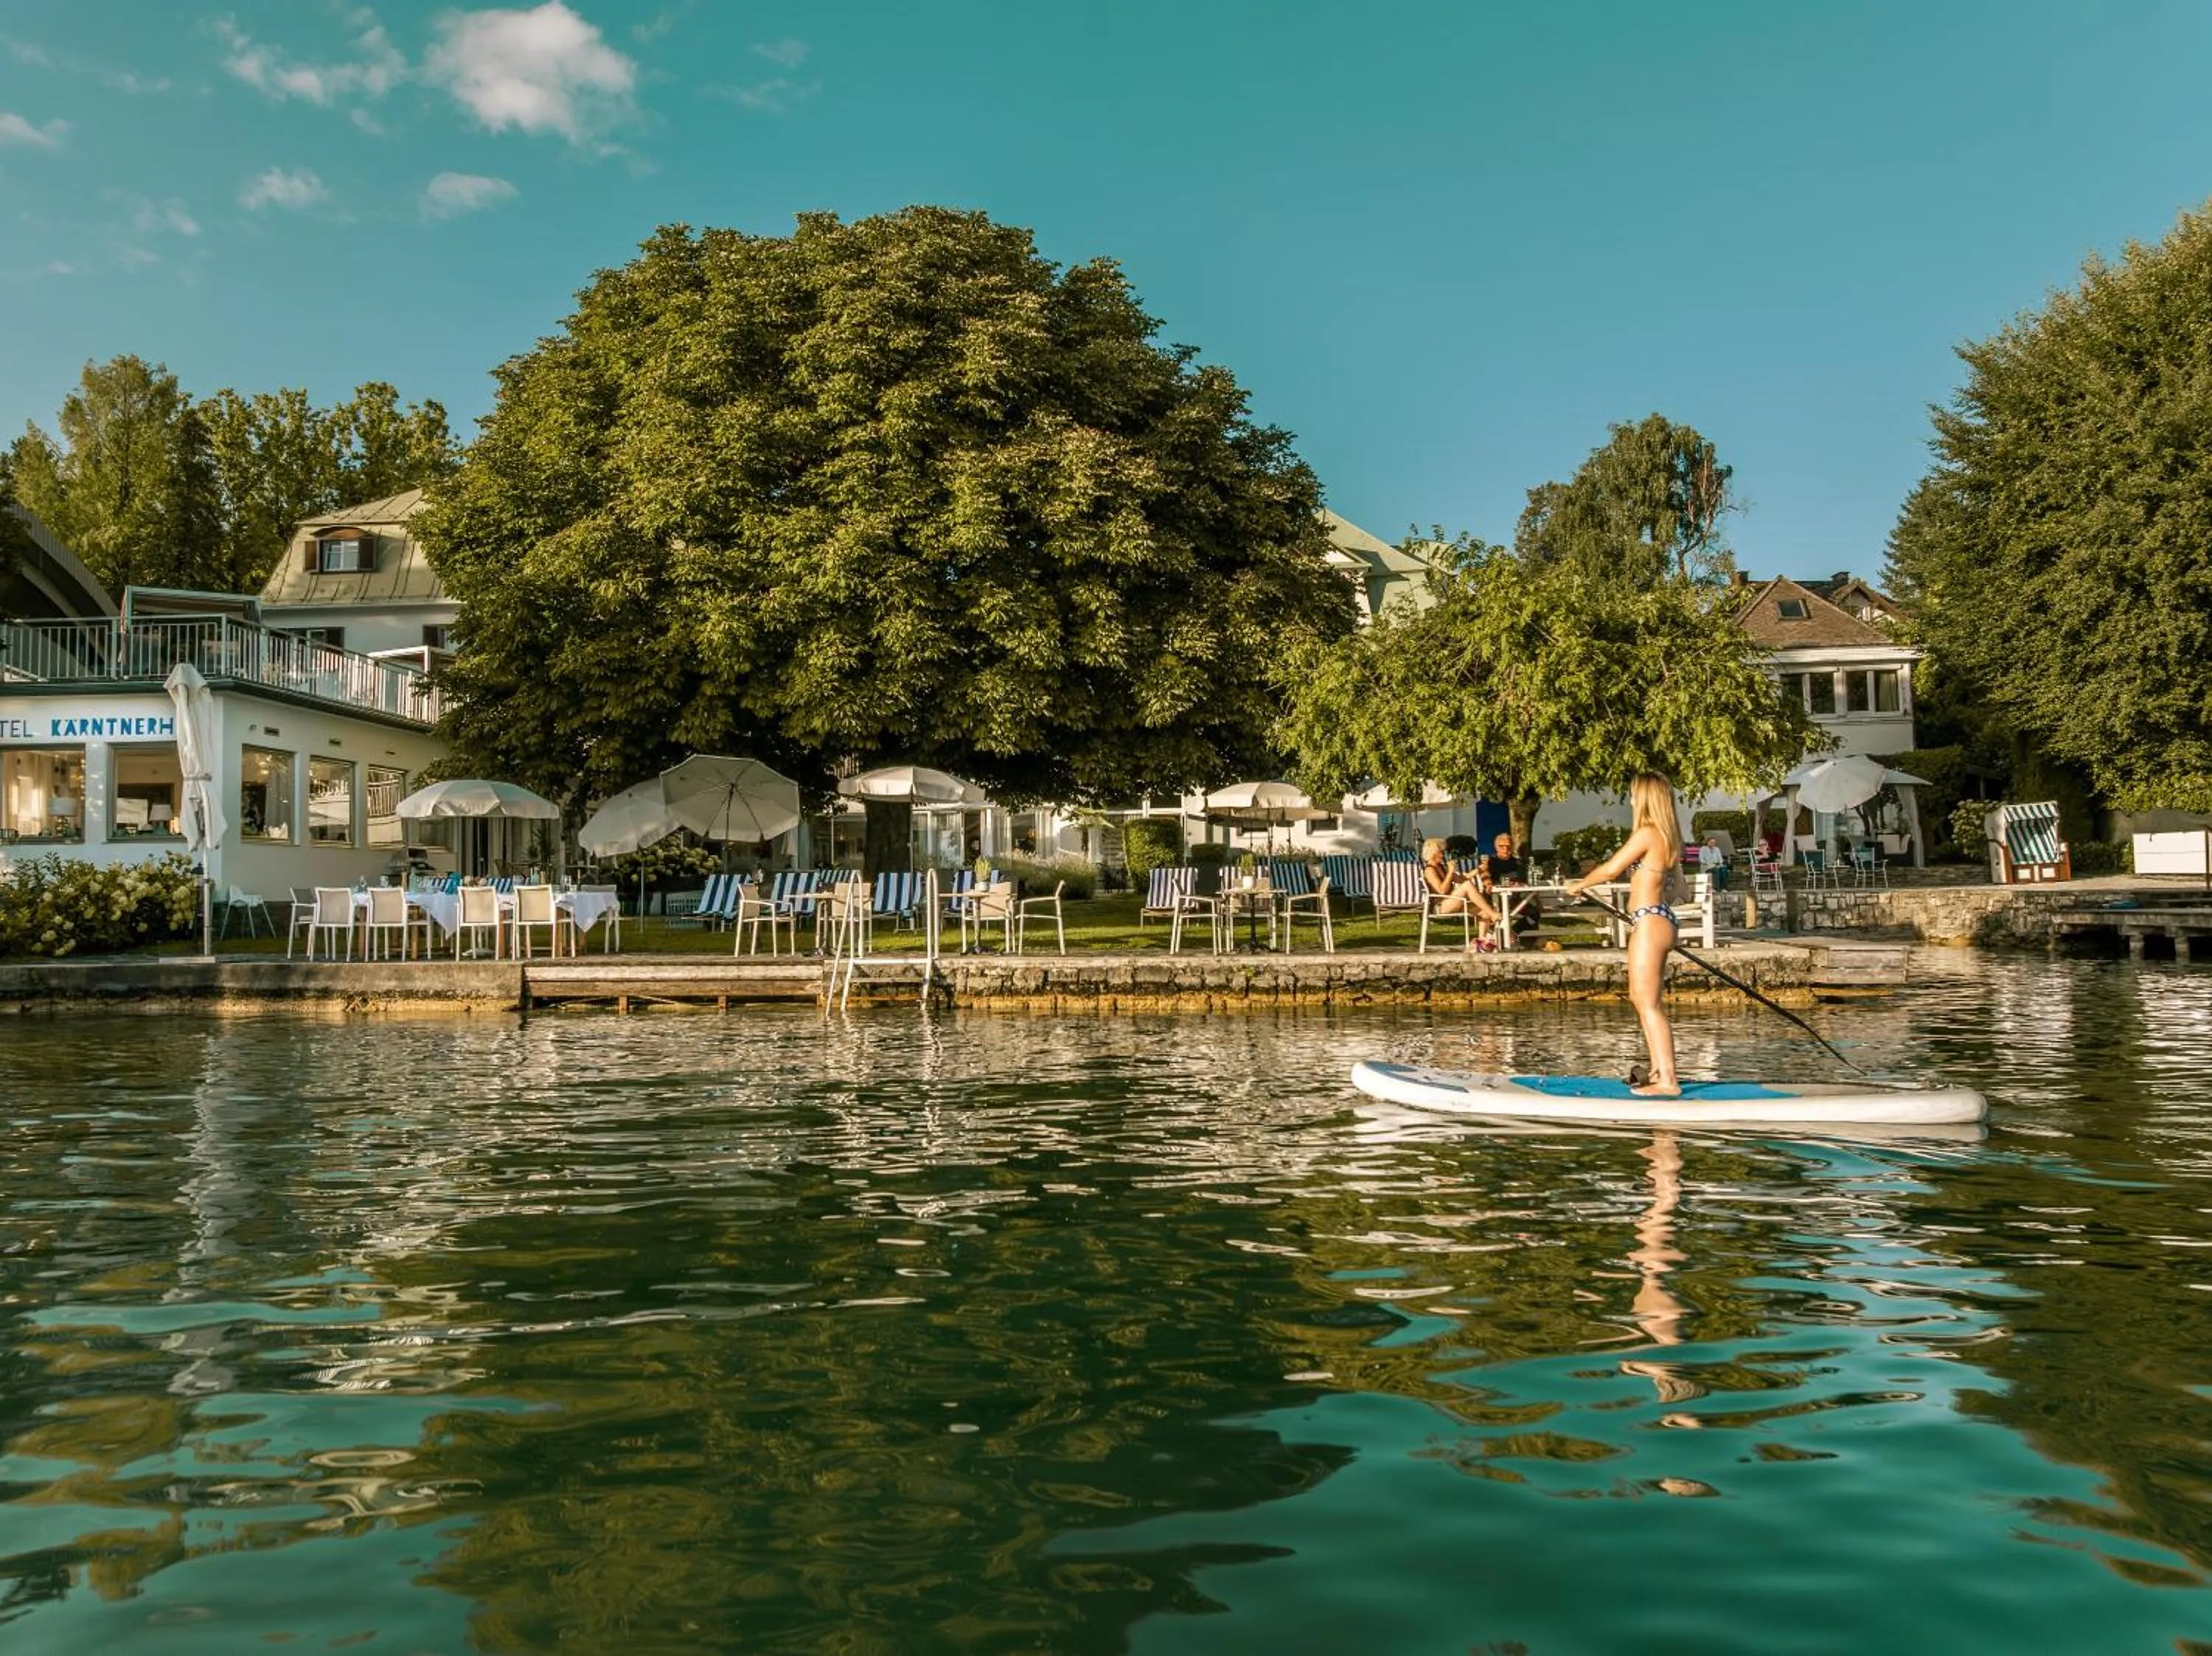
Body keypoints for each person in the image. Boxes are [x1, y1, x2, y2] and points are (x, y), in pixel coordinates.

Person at [1566, 773, 1683, 1096]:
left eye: (1633, 795)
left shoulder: (1647, 833)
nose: (1630, 800)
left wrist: (1578, 885)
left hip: (1650, 922)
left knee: (1648, 1004)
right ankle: (1659, 1072)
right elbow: (1681, 888)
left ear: (1644, 798)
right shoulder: (1669, 836)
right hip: (1658, 918)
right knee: (1642, 999)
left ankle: (1669, 1081)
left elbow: (1610, 869)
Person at [1420, 836, 1500, 942]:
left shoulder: (1442, 867)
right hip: (1440, 906)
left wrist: (1478, 870)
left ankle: (1482, 941)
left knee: (1484, 911)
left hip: (1452, 902)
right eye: (1441, 852)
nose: (1443, 855)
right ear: (1434, 853)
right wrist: (1450, 872)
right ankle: (1493, 915)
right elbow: (1442, 891)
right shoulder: (1430, 870)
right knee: (1467, 886)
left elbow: (1461, 879)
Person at [1481, 830, 1543, 934]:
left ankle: (1516, 934)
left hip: (1516, 899)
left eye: (1508, 846)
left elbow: (1527, 883)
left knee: (1534, 914)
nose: (1505, 849)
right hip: (1497, 900)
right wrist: (1489, 885)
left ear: (1513, 847)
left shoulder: (1518, 863)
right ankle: (1503, 935)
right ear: (1496, 847)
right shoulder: (1491, 862)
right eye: (1502, 846)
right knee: (1501, 915)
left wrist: (1538, 900)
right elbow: (1484, 875)